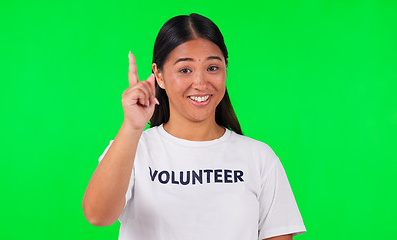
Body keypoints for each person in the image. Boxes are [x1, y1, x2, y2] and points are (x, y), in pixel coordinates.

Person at [82, 13, 306, 240]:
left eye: (212, 68)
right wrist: (132, 126)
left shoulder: (259, 157)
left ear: (226, 67)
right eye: (185, 70)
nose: (200, 83)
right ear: (158, 75)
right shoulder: (132, 150)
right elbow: (98, 216)